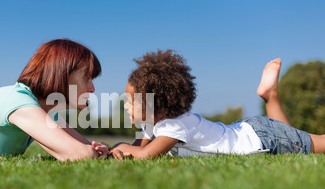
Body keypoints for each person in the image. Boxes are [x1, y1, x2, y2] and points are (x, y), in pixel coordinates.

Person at [109, 50, 324, 159]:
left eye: (131, 101)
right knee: (290, 136)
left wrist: (116, 150)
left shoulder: (174, 126)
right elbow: (137, 148)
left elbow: (144, 156)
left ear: (155, 105)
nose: (126, 106)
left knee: (315, 145)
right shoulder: (152, 124)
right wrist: (111, 151)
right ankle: (271, 96)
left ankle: (271, 96)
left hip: (260, 139)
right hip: (250, 129)